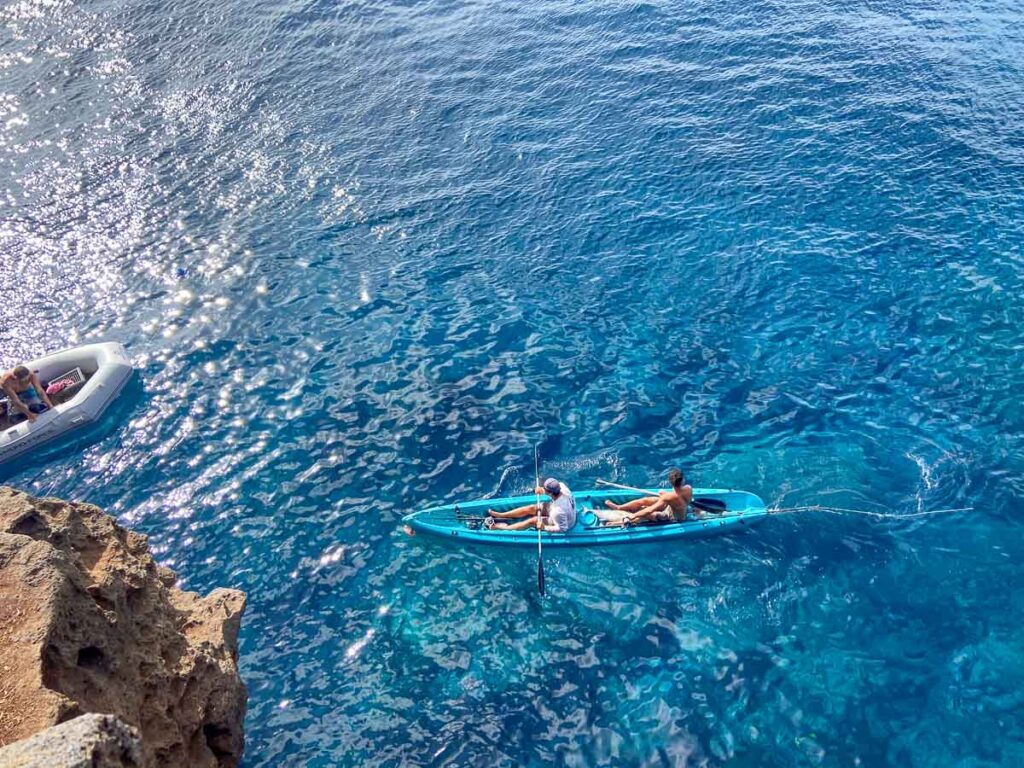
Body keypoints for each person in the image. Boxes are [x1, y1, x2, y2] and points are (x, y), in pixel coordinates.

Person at [595, 468, 692, 526]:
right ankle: (619, 507)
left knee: (645, 511)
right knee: (646, 500)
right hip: (673, 508)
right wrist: (664, 495)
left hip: (673, 518)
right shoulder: (688, 488)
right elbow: (676, 497)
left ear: (670, 482)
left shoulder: (668, 497)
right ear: (682, 480)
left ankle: (623, 522)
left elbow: (650, 510)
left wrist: (634, 515)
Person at [486, 477, 577, 532]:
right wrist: (541, 489)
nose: (543, 490)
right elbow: (550, 492)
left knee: (533, 521)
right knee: (532, 508)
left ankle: (504, 528)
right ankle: (501, 515)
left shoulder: (558, 512)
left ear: (550, 493)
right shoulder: (562, 487)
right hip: (556, 507)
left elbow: (562, 529)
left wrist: (544, 527)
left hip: (565, 522)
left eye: (544, 489)